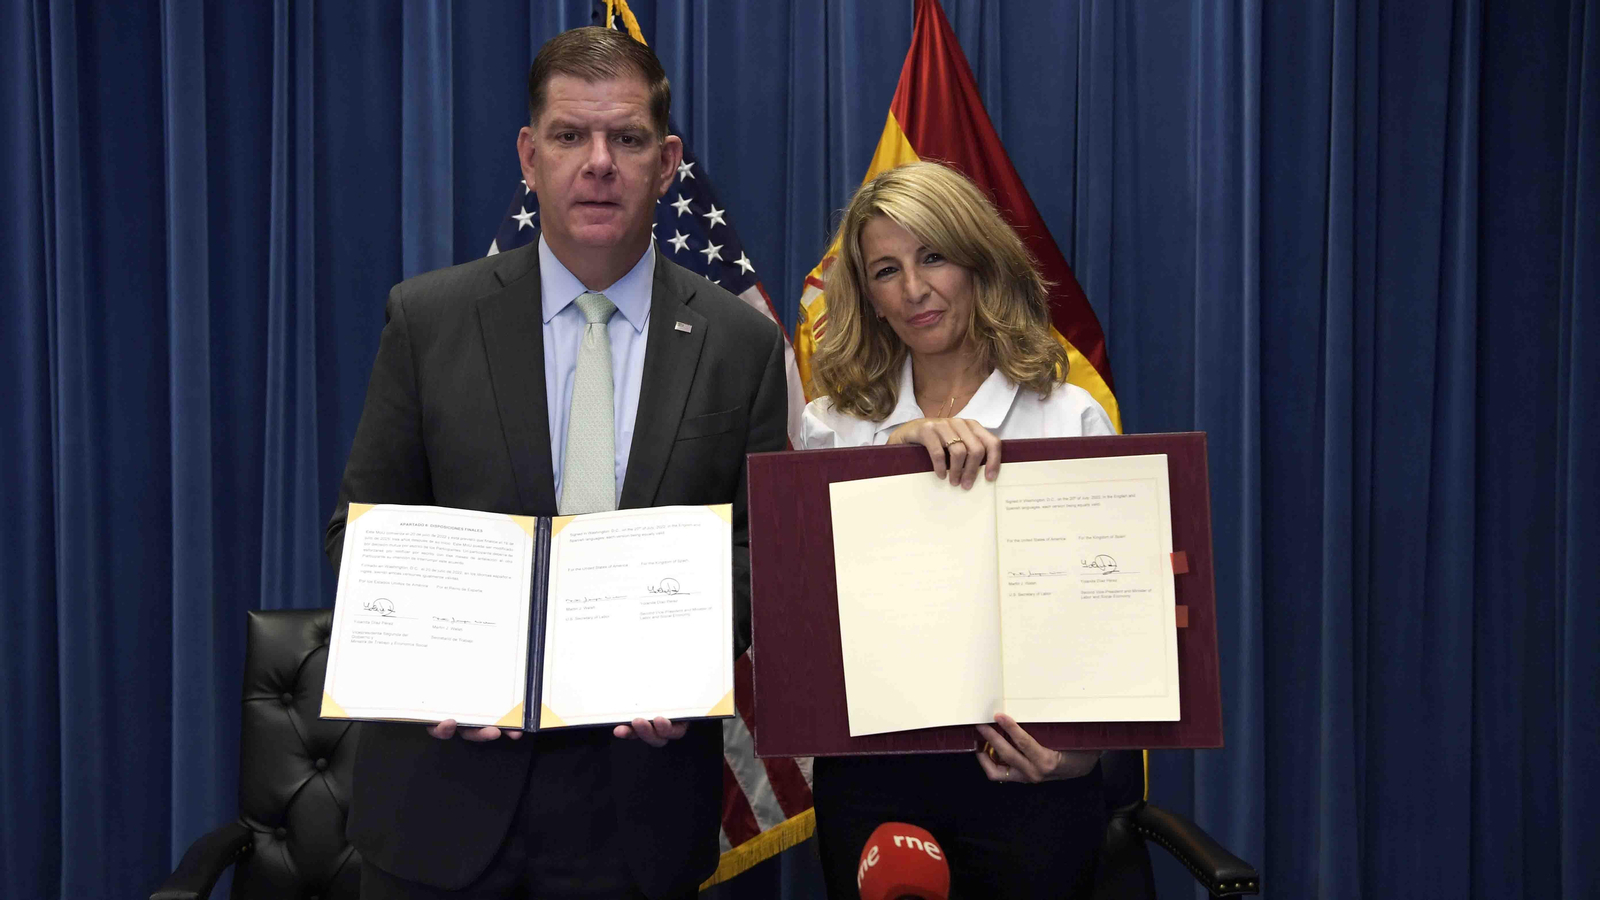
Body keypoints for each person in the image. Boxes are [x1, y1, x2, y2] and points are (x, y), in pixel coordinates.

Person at [324, 27, 788, 900]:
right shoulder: (427, 321)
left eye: (628, 138)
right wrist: (426, 664)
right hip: (440, 797)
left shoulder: (742, 345)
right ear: (530, 157)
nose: (600, 162)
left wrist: (679, 660)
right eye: (571, 136)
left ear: (668, 160)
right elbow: (360, 533)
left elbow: (757, 555)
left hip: (640, 809)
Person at [800, 161, 1115, 898]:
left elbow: (1111, 630)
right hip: (872, 778)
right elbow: (806, 615)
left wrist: (1074, 759)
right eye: (886, 270)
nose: (913, 290)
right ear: (869, 298)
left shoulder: (1068, 417)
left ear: (978, 262)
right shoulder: (831, 427)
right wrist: (886, 464)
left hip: (1025, 780)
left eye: (933, 256)